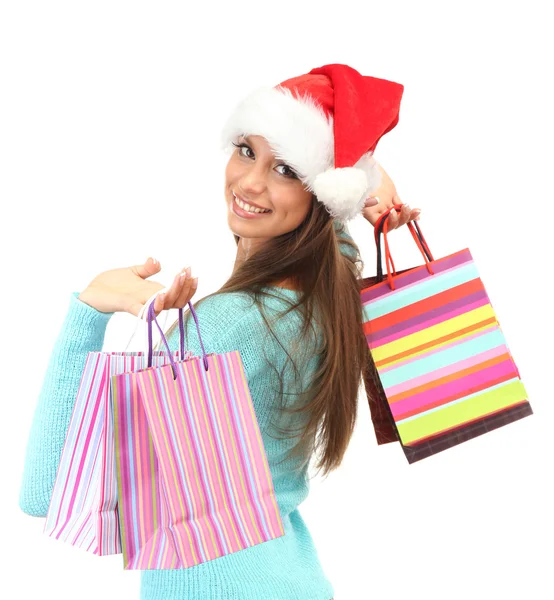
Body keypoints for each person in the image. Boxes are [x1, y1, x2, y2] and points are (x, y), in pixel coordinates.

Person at [18, 63, 420, 600]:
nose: (250, 182)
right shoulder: (333, 277)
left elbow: (48, 491)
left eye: (288, 170)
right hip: (293, 578)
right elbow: (355, 199)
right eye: (247, 150)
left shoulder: (222, 328)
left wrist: (90, 307)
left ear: (321, 194)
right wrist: (372, 192)